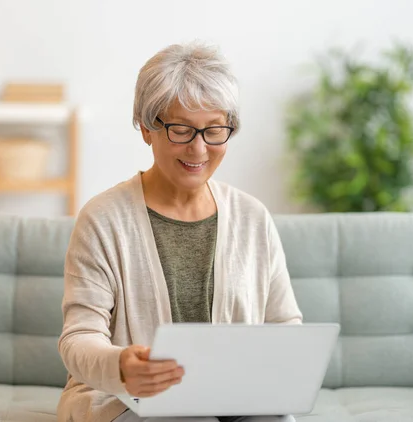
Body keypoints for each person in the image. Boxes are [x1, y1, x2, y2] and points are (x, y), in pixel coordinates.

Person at [57, 41, 303, 422]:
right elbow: (78, 339)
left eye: (214, 130)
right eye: (181, 130)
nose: (199, 149)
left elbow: (285, 326)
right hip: (124, 400)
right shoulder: (102, 220)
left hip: (235, 401)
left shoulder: (253, 218)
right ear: (146, 128)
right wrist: (121, 366)